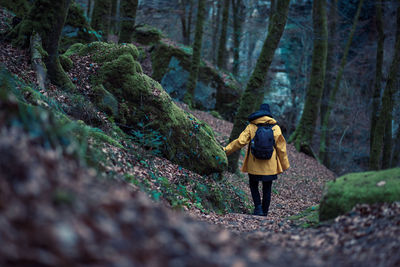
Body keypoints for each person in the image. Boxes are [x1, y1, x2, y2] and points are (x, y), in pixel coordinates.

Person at [224, 103, 290, 217]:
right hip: (270, 166)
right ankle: (264, 213)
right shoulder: (276, 128)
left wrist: (226, 150)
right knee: (267, 189)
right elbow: (281, 149)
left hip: (254, 164)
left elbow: (240, 142)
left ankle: (258, 208)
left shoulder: (251, 126)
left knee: (253, 185)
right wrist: (284, 165)